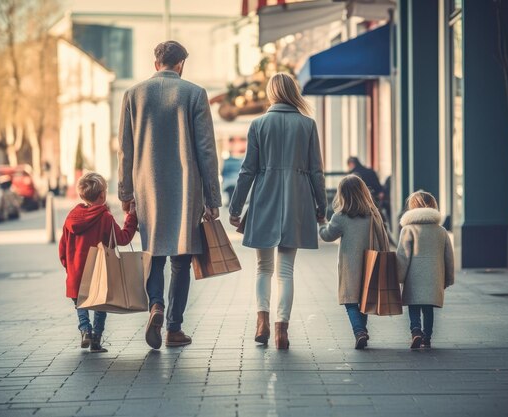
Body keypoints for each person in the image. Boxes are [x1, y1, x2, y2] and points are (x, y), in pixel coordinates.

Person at [117, 41, 222, 350]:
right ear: (180, 65)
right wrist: (212, 199)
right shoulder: (195, 94)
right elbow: (206, 150)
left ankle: (156, 306)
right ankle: (174, 328)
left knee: (155, 257)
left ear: (156, 64)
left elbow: (125, 150)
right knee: (181, 260)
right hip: (186, 190)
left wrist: (125, 193)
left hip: (147, 189)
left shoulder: (133, 95)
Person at [229, 73, 326, 349]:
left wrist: (236, 207)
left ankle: (262, 322)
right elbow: (316, 171)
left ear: (271, 92)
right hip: (298, 200)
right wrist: (322, 206)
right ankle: (282, 330)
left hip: (264, 199)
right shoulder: (307, 125)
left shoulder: (258, 124)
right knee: (286, 271)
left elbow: (247, 170)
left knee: (263, 268)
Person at [59, 172, 138, 353]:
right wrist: (131, 217)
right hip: (98, 272)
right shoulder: (105, 218)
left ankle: (85, 329)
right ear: (102, 195)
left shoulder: (71, 218)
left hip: (76, 273)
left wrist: (68, 266)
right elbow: (123, 238)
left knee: (81, 303)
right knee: (100, 304)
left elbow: (62, 247)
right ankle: (96, 340)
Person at [318, 175, 389, 349]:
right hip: (372, 263)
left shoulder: (341, 216)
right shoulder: (373, 214)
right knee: (364, 300)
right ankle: (362, 330)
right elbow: (383, 236)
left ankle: (359, 332)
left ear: (342, 195)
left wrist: (321, 224)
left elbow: (328, 236)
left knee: (350, 301)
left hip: (351, 266)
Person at [396, 190, 454, 349]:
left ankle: (415, 331)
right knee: (429, 308)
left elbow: (403, 256)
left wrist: (399, 277)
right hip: (434, 276)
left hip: (413, 277)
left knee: (413, 306)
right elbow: (448, 256)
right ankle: (427, 337)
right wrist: (448, 278)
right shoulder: (441, 231)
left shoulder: (408, 229)